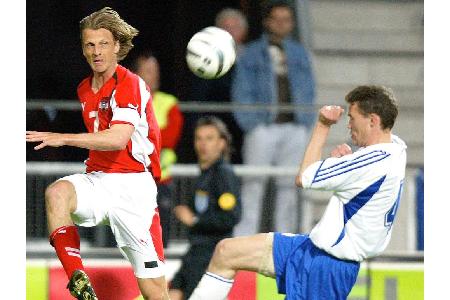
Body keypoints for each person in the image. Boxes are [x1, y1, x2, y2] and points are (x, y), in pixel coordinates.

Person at [188, 85, 407, 300]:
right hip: (309, 248)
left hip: (326, 269)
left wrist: (322, 125)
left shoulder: (372, 160)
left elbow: (304, 177)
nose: (349, 125)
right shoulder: (396, 149)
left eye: (352, 118)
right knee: (226, 251)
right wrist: (343, 163)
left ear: (373, 120)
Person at [26, 7, 169, 300]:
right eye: (90, 45)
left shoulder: (130, 84)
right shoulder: (84, 89)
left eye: (103, 44)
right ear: (83, 49)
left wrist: (63, 138)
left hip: (134, 189)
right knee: (57, 193)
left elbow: (118, 139)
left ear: (117, 46)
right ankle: (79, 280)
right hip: (99, 179)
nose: (97, 51)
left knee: (155, 292)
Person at [232, 0, 316, 236]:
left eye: (286, 20)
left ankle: (284, 238)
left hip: (294, 125)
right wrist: (250, 122)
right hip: (263, 126)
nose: (281, 24)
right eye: (276, 19)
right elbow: (241, 89)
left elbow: (309, 88)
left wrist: (306, 121)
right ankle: (244, 238)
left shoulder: (299, 53)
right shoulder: (252, 52)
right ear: (267, 22)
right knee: (253, 183)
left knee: (288, 185)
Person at [169, 116, 241, 300]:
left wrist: (195, 220)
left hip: (211, 254)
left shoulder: (223, 174)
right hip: (195, 251)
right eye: (198, 138)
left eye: (209, 138)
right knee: (172, 293)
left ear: (222, 143)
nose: (203, 144)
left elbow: (231, 217)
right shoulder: (204, 174)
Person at [129, 49, 184, 248]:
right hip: (129, 180)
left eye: (156, 70)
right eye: (149, 70)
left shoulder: (169, 103)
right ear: (136, 74)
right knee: (130, 239)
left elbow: (170, 138)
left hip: (160, 181)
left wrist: (139, 132)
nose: (155, 75)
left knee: (160, 241)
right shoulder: (122, 101)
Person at [184, 8, 248, 164]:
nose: (230, 32)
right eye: (226, 28)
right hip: (215, 125)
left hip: (245, 127)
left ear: (244, 32)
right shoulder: (204, 57)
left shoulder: (254, 57)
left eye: (235, 28)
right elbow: (198, 95)